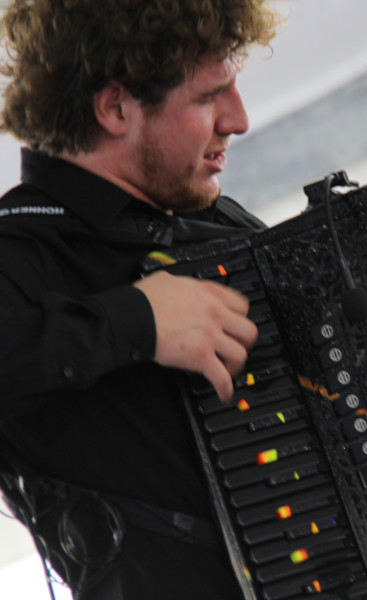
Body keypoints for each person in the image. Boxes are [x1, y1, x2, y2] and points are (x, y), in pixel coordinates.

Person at [0, 1, 278, 598]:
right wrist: (137, 322)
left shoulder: (215, 220)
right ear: (115, 108)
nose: (238, 119)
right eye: (209, 96)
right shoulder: (18, 251)